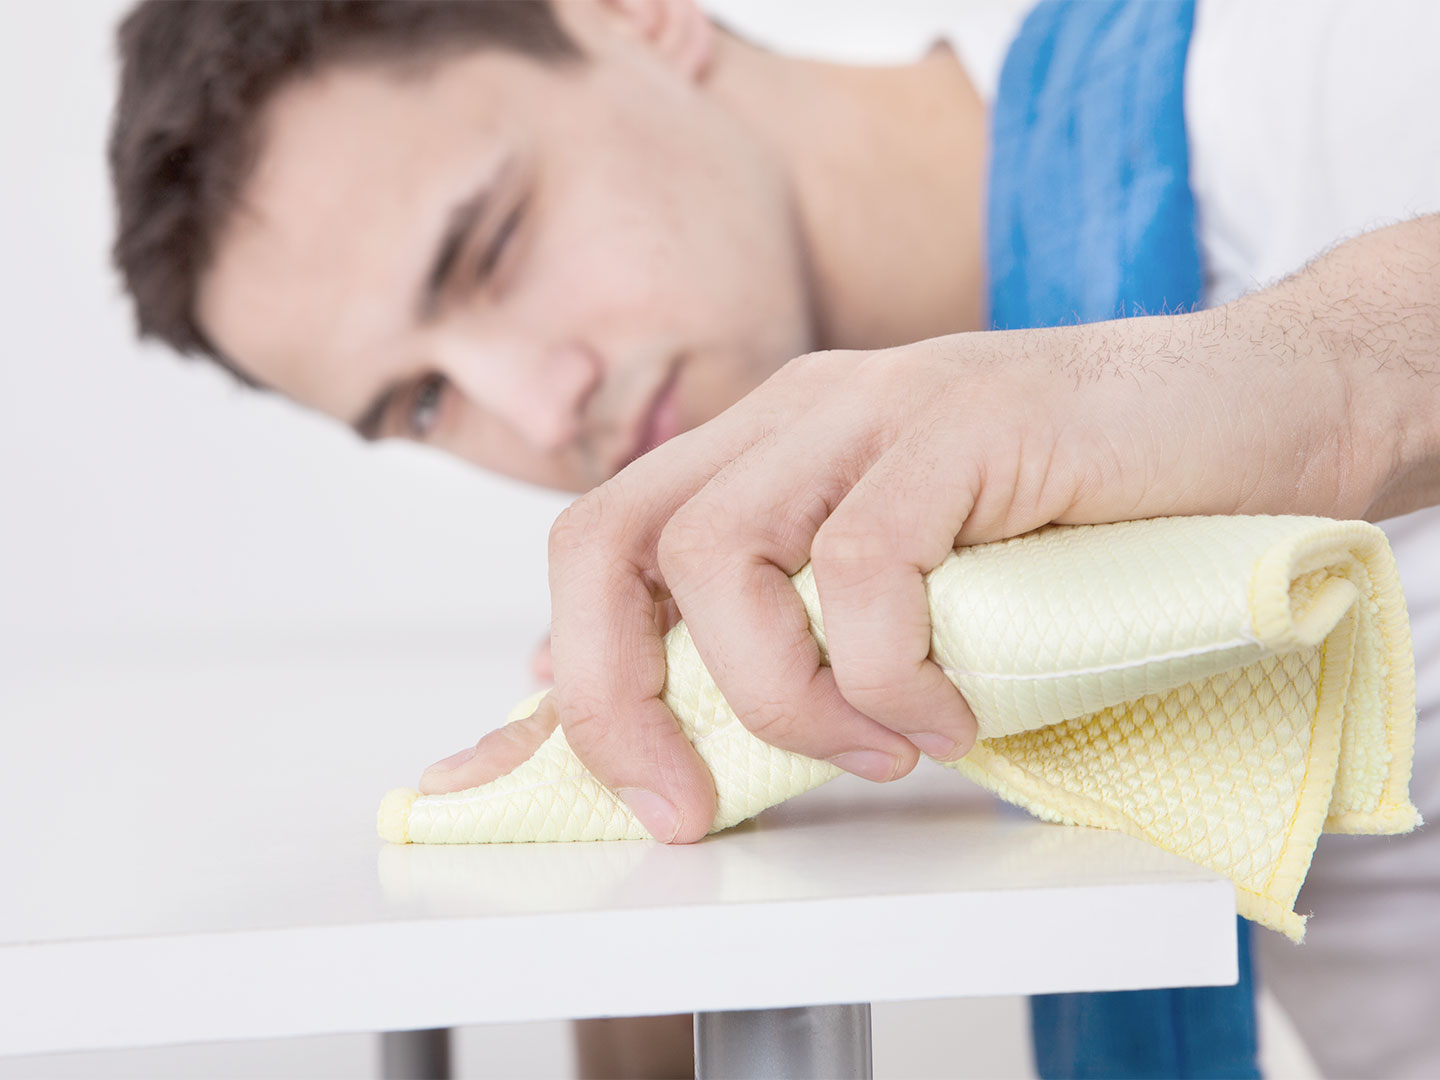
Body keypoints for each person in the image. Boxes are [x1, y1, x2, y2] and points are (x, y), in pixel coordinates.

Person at [109, 1, 1440, 1076]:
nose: (533, 406)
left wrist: (1316, 376)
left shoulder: (1327, 63)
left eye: (491, 246)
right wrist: (660, 950)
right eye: (423, 400)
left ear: (636, 19)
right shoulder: (824, 600)